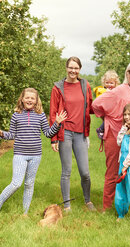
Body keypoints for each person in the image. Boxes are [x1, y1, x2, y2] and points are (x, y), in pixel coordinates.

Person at [0, 88, 67, 214]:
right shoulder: (16, 115)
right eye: (27, 98)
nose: (30, 100)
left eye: (32, 98)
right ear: (22, 99)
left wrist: (57, 123)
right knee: (16, 183)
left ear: (36, 101)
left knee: (29, 184)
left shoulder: (40, 115)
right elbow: (12, 134)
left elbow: (47, 133)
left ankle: (24, 213)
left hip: (35, 155)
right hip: (20, 154)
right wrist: (1, 133)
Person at [92, 61, 130, 212]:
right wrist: (111, 118)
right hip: (118, 136)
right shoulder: (120, 90)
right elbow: (97, 103)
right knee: (113, 172)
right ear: (126, 74)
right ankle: (107, 206)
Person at [49, 56, 96, 212]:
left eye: (76, 68)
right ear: (66, 68)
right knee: (66, 171)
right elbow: (53, 112)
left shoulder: (85, 85)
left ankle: (88, 201)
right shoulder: (58, 88)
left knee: (85, 172)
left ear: (80, 69)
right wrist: (53, 138)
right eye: (71, 67)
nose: (73, 71)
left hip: (81, 133)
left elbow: (91, 107)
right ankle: (67, 205)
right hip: (65, 133)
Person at [93, 70, 120, 140]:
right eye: (107, 83)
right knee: (107, 119)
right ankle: (101, 129)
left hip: (114, 110)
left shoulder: (116, 91)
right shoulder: (105, 91)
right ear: (104, 83)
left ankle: (103, 130)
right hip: (108, 110)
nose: (109, 85)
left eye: (111, 83)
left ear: (116, 83)